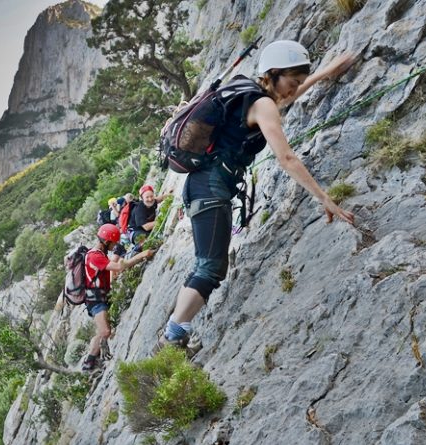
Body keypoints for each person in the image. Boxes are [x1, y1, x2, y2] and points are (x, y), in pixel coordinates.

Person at [161, 41, 356, 349]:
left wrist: (324, 74)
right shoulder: (261, 104)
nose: (296, 88)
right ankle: (173, 336)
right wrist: (324, 197)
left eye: (300, 82)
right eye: (294, 81)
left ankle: (175, 330)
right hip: (211, 189)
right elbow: (287, 158)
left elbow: (282, 103)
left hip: (205, 185)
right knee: (210, 267)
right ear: (275, 74)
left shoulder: (250, 95)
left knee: (208, 265)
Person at [82, 224, 155, 372]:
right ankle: (89, 364)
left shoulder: (99, 254)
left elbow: (111, 269)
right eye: (114, 242)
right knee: (105, 331)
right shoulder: (95, 256)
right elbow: (119, 267)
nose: (115, 245)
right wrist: (142, 255)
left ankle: (92, 360)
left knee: (103, 331)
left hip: (100, 298)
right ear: (107, 241)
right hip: (95, 301)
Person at [128, 185, 171, 251]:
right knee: (150, 241)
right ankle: (138, 248)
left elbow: (160, 198)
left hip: (145, 230)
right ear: (142, 199)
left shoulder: (152, 201)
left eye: (151, 196)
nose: (150, 199)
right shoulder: (139, 209)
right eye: (147, 197)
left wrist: (169, 194)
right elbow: (146, 227)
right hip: (135, 232)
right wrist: (162, 219)